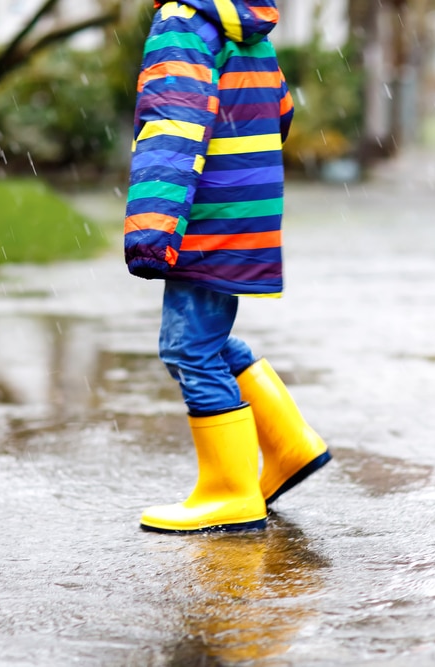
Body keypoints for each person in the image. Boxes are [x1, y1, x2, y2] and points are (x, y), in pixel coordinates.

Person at [124, 0, 330, 534]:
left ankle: (229, 491)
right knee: (208, 340)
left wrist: (152, 225)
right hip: (244, 205)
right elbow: (280, 111)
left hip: (207, 210)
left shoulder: (183, 22)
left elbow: (174, 126)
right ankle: (288, 446)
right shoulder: (247, 25)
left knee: (187, 347)